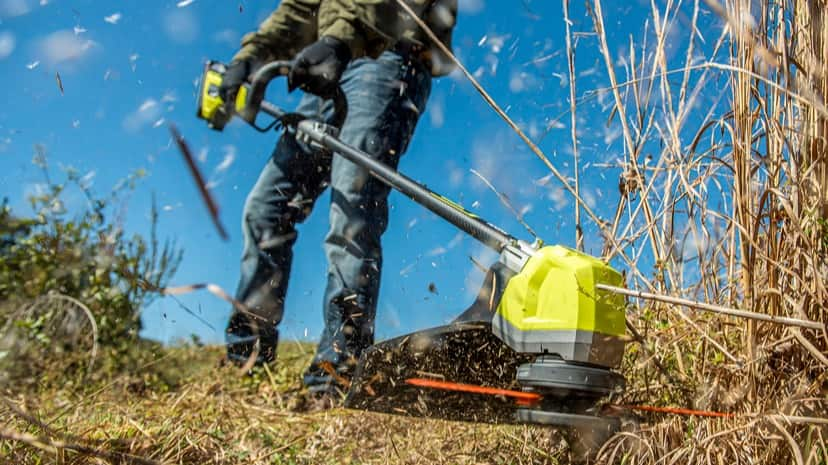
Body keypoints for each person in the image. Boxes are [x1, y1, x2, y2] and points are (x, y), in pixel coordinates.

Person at [219, 0, 458, 399]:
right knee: (267, 209)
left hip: (387, 57)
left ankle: (337, 378)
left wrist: (339, 40)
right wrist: (251, 57)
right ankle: (245, 364)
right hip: (334, 60)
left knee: (352, 211)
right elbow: (300, 8)